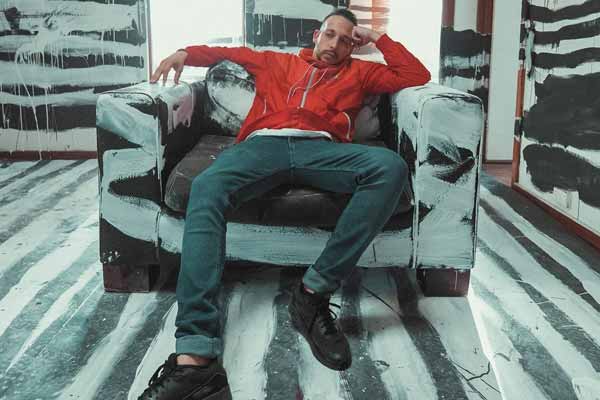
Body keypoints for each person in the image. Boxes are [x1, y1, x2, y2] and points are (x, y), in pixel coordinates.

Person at [138, 8, 430, 400]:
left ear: (353, 45)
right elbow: (228, 54)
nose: (336, 44)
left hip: (323, 151)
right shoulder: (275, 62)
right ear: (316, 36)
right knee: (206, 187)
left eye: (346, 40)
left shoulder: (361, 72)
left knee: (390, 168)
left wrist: (377, 37)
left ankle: (312, 294)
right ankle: (196, 357)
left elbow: (415, 75)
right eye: (330, 34)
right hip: (263, 146)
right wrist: (184, 53)